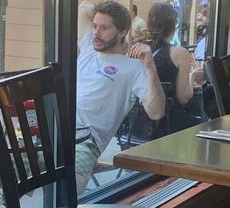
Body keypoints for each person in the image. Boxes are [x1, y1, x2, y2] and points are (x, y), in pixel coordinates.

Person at [77, 0, 165, 194]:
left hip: (85, 140)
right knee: (3, 173)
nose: (96, 33)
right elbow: (84, 7)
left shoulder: (133, 68)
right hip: (54, 131)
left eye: (104, 28)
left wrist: (151, 69)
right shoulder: (88, 48)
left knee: (70, 186)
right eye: (95, 27)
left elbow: (156, 111)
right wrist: (105, 11)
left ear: (123, 31)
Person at [145, 2, 205, 135]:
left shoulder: (139, 49)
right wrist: (192, 77)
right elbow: (183, 97)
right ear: (174, 26)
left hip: (137, 128)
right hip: (168, 126)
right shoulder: (179, 53)